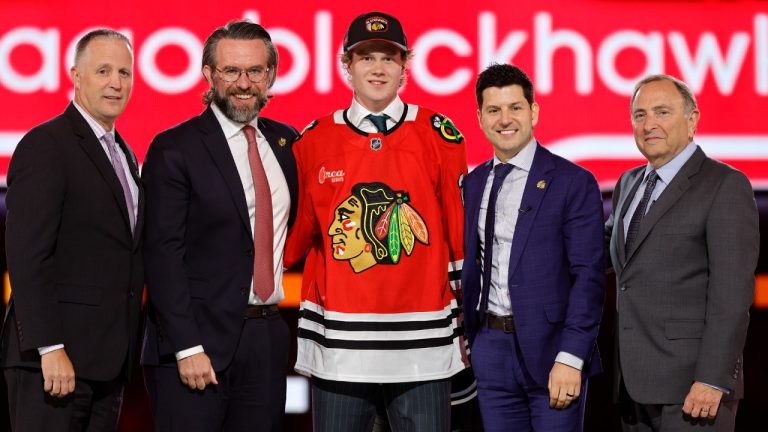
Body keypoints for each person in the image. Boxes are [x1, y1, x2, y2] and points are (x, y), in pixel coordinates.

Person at [284, 11, 472, 432]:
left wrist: (465, 324)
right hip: (339, 344)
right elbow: (295, 240)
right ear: (346, 65)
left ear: (405, 66)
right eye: (366, 57)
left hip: (422, 342)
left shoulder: (439, 134)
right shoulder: (313, 141)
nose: (378, 68)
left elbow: (457, 239)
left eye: (389, 57)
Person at [140, 20, 298, 432]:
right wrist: (186, 346)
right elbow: (162, 255)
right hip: (196, 347)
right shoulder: (175, 147)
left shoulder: (288, 143)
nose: (243, 83)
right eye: (231, 71)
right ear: (209, 75)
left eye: (255, 71)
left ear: (271, 75)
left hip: (265, 339)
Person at [0, 29, 143, 431]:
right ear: (75, 76)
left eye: (124, 72)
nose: (116, 82)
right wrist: (51, 346)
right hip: (53, 362)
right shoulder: (47, 144)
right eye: (103, 71)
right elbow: (28, 256)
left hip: (104, 364)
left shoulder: (125, 154)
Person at [605, 74, 759, 431]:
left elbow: (732, 295)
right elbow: (602, 253)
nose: (649, 124)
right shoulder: (629, 182)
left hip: (694, 388)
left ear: (692, 120)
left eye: (662, 112)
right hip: (632, 385)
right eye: (639, 115)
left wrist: (713, 379)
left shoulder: (724, 184)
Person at [461, 64, 605, 432]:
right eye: (494, 110)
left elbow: (588, 277)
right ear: (479, 117)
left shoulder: (573, 182)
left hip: (554, 353)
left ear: (534, 111)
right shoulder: (473, 183)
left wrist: (572, 357)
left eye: (515, 107)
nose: (505, 119)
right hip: (490, 352)